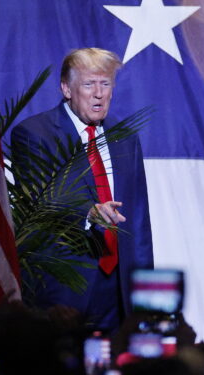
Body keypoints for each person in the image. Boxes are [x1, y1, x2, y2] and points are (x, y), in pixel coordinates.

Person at [11, 47, 153, 331]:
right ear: (66, 88)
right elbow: (40, 203)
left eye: (105, 83)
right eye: (89, 84)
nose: (99, 94)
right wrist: (88, 213)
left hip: (119, 288)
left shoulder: (125, 137)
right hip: (64, 286)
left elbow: (138, 218)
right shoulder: (34, 133)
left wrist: (145, 293)